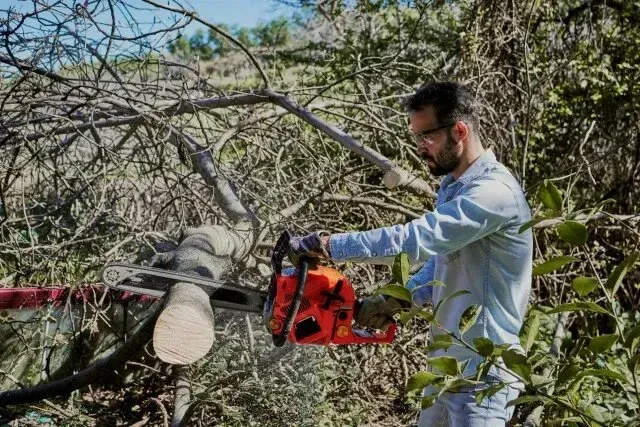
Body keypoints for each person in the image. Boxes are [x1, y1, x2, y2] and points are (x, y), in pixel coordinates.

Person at [289, 81, 533, 426]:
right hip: (445, 369)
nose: (420, 147)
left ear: (459, 131)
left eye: (427, 137)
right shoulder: (454, 187)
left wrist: (330, 245)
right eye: (417, 137)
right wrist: (396, 299)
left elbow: (417, 240)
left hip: (483, 377)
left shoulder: (494, 193)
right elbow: (442, 263)